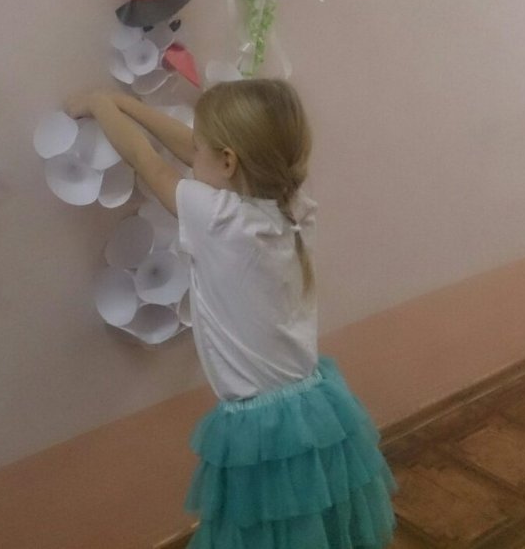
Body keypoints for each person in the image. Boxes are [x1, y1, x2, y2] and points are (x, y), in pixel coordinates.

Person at [64, 79, 397, 548]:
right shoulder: (290, 204)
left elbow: (148, 161)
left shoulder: (218, 219)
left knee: (266, 532)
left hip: (262, 427)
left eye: (201, 148)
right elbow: (191, 147)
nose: (192, 150)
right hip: (312, 405)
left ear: (227, 161)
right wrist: (126, 103)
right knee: (311, 522)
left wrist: (100, 105)